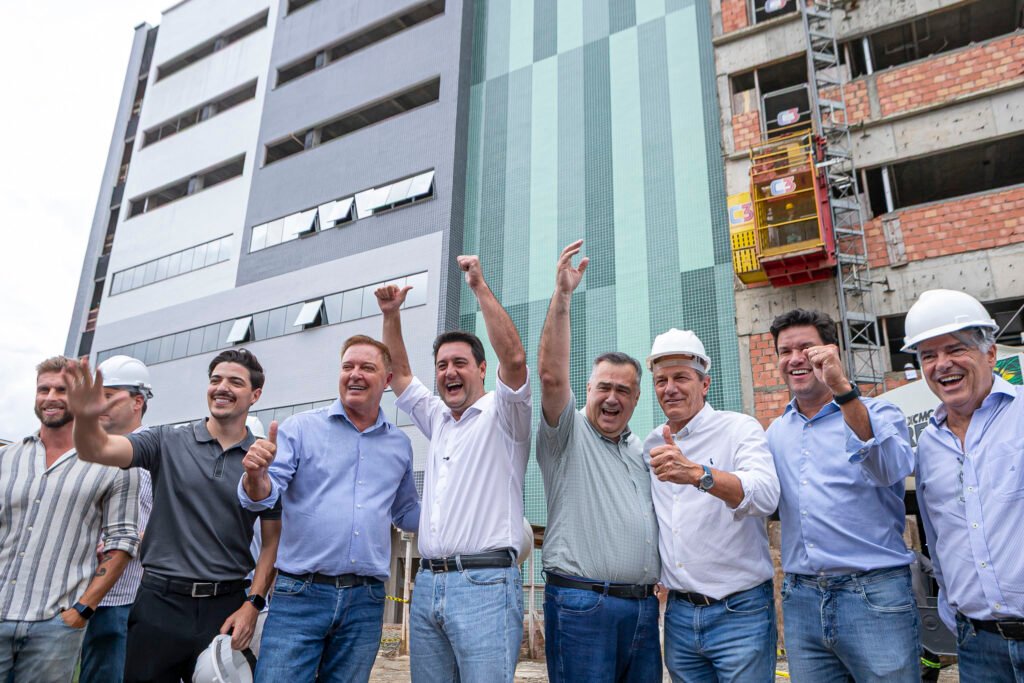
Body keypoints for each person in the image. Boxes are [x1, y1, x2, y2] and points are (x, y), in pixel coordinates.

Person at [66, 348, 281, 683]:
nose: (222, 387)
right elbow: (98, 449)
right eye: (215, 379)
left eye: (234, 382)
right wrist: (84, 417)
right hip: (159, 604)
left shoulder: (264, 457)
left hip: (225, 608)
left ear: (255, 394)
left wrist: (252, 605)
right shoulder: (166, 440)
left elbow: (271, 543)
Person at [376, 254, 531, 683]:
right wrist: (392, 315)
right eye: (442, 365)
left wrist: (480, 287)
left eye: (460, 363)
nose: (449, 372)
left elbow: (515, 360)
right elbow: (401, 374)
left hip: (485, 586)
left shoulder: (507, 416)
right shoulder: (438, 418)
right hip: (427, 586)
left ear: (482, 369)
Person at [239, 335, 420, 683]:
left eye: (367, 367)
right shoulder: (300, 429)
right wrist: (255, 475)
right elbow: (262, 494)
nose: (355, 374)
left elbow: (406, 512)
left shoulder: (400, 445)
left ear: (386, 381)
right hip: (300, 595)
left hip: (365, 601)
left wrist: (459, 509)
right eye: (347, 366)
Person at [766, 308, 919, 682]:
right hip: (801, 598)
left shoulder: (881, 412)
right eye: (785, 351)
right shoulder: (775, 432)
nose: (795, 359)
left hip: (874, 593)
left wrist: (843, 390)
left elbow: (889, 467)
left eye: (806, 347)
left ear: (831, 352)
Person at [535, 240, 661, 682]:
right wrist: (563, 296)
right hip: (583, 607)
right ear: (586, 391)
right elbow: (550, 375)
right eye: (602, 387)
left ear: (636, 398)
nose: (611, 397)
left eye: (623, 390)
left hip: (643, 610)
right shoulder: (566, 436)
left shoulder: (640, 448)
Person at [644, 329, 779, 683]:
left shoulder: (739, 429)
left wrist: (699, 474)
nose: (669, 388)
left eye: (681, 378)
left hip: (740, 612)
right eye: (661, 380)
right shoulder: (653, 443)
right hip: (679, 616)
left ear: (705, 384)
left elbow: (765, 495)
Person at [904, 289, 1024, 681]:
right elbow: (937, 537)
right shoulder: (928, 446)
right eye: (928, 356)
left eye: (955, 349)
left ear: (990, 353)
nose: (942, 365)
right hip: (977, 644)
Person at [0, 356, 140, 682]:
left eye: (62, 390)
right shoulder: (7, 459)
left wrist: (82, 611)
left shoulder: (115, 462)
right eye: (43, 389)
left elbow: (123, 542)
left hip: (55, 625)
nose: (50, 397)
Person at [79, 356, 155, 683]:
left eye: (109, 395)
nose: (100, 404)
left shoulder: (156, 452)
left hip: (122, 599)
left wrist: (122, 543)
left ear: (137, 401)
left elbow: (163, 524)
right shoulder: (89, 451)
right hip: (75, 593)